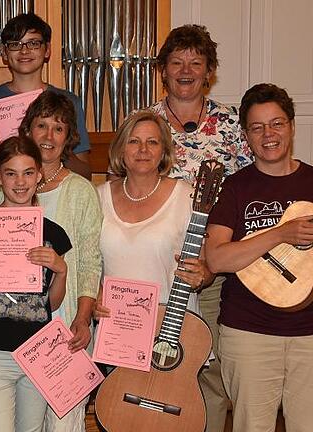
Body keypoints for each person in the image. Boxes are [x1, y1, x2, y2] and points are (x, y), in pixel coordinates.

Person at [147, 25, 253, 430]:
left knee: (208, 367)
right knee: (153, 362)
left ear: (209, 70)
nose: (186, 70)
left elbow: (249, 190)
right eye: (177, 62)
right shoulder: (146, 123)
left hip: (214, 267)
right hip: (157, 265)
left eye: (196, 62)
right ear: (163, 70)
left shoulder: (230, 124)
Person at [0, 91, 102, 430]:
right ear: (28, 131)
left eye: (59, 128)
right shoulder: (0, 190)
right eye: (42, 126)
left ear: (69, 138)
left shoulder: (80, 191)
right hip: (13, 329)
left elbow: (91, 261)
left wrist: (83, 318)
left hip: (65, 324)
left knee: (65, 423)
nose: (49, 137)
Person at [205, 83, 313, 432]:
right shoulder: (235, 188)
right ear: (247, 136)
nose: (269, 134)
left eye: (277, 123)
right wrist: (280, 234)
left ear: (292, 126)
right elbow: (218, 259)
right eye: (257, 127)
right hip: (248, 333)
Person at [0, 136, 71, 431]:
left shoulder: (54, 234)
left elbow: (52, 303)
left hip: (37, 352)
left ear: (39, 175)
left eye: (28, 172)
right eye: (11, 173)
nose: (20, 182)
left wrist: (61, 271)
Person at [95, 110, 211, 316]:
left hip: (173, 330)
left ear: (164, 151)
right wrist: (94, 295)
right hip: (116, 329)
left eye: (152, 142)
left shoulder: (188, 197)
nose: (143, 149)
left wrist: (201, 275)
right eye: (133, 141)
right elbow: (87, 265)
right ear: (121, 149)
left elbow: (207, 266)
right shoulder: (97, 198)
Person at [0, 13, 92, 184]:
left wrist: (60, 149)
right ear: (5, 53)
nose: (24, 50)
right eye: (15, 44)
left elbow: (85, 174)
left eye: (33, 43)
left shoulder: (69, 102)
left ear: (47, 50)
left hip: (57, 201)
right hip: (4, 205)